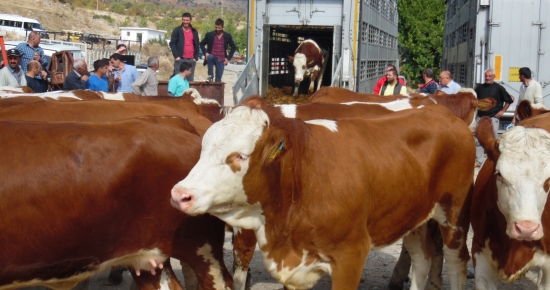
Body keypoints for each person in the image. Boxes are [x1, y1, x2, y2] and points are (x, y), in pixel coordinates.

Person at [474, 68, 513, 167]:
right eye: (486, 76)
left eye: (489, 76)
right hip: (481, 117)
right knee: (478, 139)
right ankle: (478, 161)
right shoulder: (479, 88)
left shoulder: (499, 88)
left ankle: (492, 162)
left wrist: (503, 111)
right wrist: (476, 111)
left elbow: (509, 100)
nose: (487, 78)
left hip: (493, 118)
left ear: (494, 76)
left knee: (493, 140)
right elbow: (473, 100)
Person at [200, 18, 237, 82]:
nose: (217, 29)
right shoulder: (210, 35)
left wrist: (228, 58)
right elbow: (201, 44)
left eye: (219, 28)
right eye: (216, 27)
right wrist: (205, 53)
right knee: (210, 56)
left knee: (218, 79)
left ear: (223, 27)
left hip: (221, 59)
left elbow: (233, 47)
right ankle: (210, 76)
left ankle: (216, 89)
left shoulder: (227, 36)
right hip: (212, 56)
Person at [170, 12, 199, 81]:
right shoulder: (177, 30)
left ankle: (187, 92)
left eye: (187, 20)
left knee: (189, 81)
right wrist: (176, 56)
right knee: (178, 80)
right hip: (180, 59)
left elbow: (197, 45)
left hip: (191, 60)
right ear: (182, 20)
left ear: (190, 20)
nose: (185, 22)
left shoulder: (194, 31)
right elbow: (172, 43)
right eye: (184, 20)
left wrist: (195, 58)